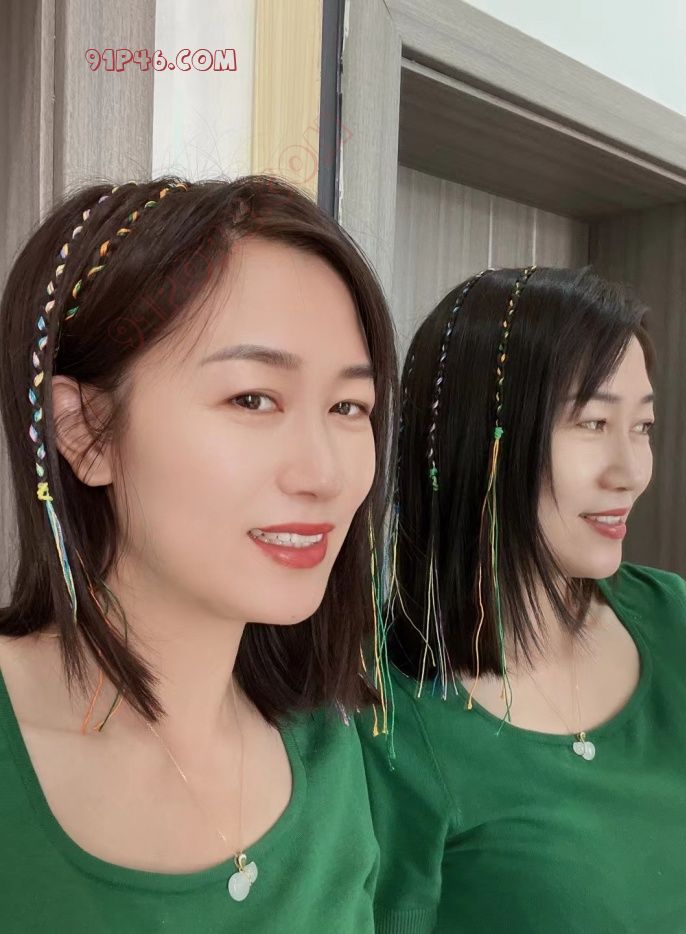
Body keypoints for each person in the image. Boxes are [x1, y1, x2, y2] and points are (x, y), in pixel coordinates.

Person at [0, 174, 397, 932]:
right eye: (253, 399)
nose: (324, 474)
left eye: (349, 406)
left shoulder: (328, 744)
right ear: (83, 432)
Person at [359, 265, 686, 933]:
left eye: (643, 426)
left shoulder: (676, 619)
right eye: (594, 422)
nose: (631, 472)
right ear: (480, 438)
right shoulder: (385, 716)